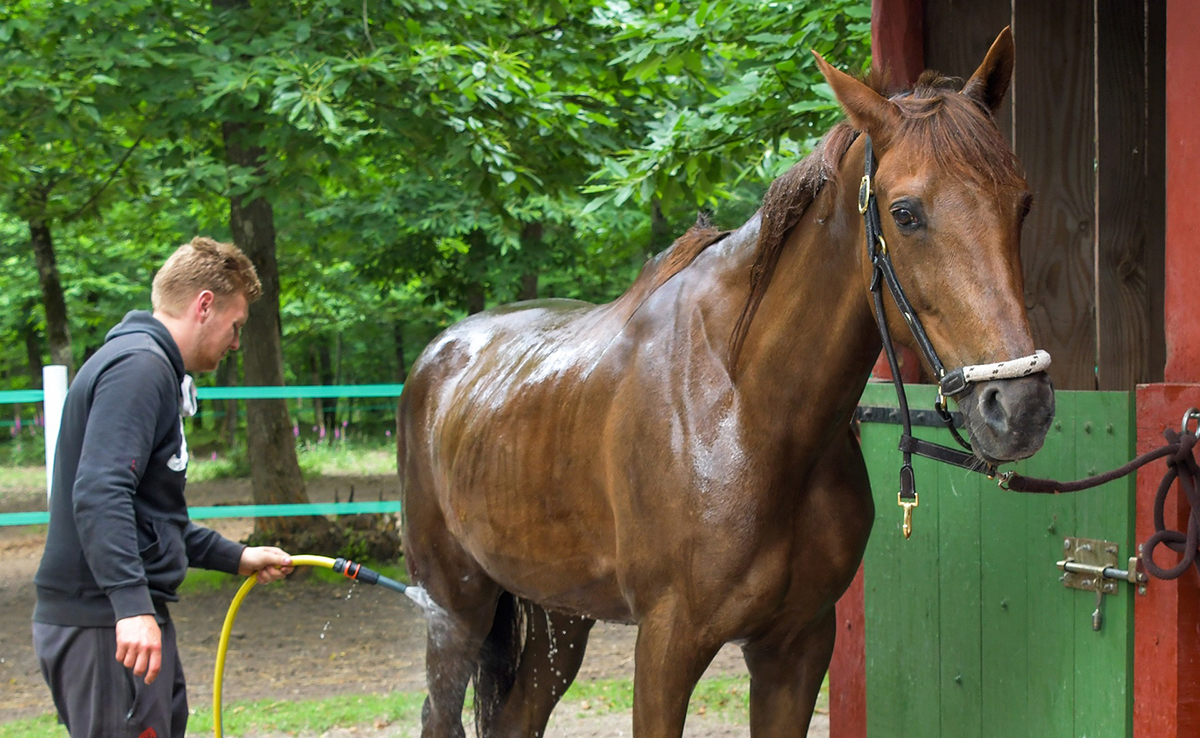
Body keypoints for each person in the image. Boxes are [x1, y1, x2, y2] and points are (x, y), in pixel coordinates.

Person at [32, 236, 294, 738]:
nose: (237, 342)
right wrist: (130, 607)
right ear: (204, 306)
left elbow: (149, 518)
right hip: (103, 623)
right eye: (235, 325)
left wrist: (236, 557)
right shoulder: (139, 368)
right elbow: (100, 491)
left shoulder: (150, 366)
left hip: (120, 617)